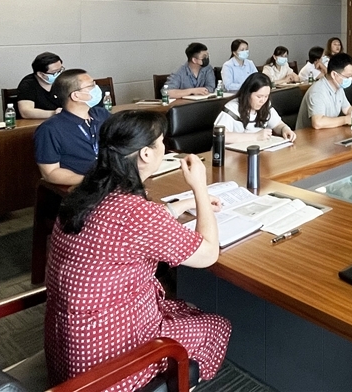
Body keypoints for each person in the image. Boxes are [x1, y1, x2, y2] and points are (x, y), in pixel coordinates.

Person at [45, 110, 231, 390]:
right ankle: (178, 382)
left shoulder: (83, 194)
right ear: (145, 154)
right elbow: (208, 254)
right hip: (113, 362)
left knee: (183, 309)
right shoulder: (136, 214)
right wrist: (199, 190)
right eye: (161, 142)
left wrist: (179, 206)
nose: (164, 147)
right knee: (216, 326)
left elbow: (122, 229)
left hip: (69, 348)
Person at [34, 69, 112, 186]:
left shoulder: (101, 114)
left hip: (114, 181)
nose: (97, 88)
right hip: (82, 187)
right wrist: (94, 181)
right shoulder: (50, 129)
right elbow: (50, 173)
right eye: (91, 86)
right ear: (76, 96)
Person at [295, 53, 352, 130]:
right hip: (309, 138)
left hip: (328, 133)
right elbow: (318, 122)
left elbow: (347, 109)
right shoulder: (317, 91)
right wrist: (345, 120)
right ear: (334, 74)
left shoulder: (338, 87)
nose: (350, 79)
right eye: (347, 77)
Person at [213, 73, 296, 143]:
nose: (262, 101)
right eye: (259, 96)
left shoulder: (266, 105)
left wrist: (285, 129)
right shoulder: (232, 108)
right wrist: (255, 136)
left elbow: (278, 124)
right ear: (247, 93)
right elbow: (221, 135)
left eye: (266, 96)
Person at [17, 51, 64, 118]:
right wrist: (53, 113)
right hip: (37, 122)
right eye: (54, 72)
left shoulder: (63, 81)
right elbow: (25, 112)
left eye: (60, 70)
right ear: (40, 74)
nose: (59, 74)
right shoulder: (28, 84)